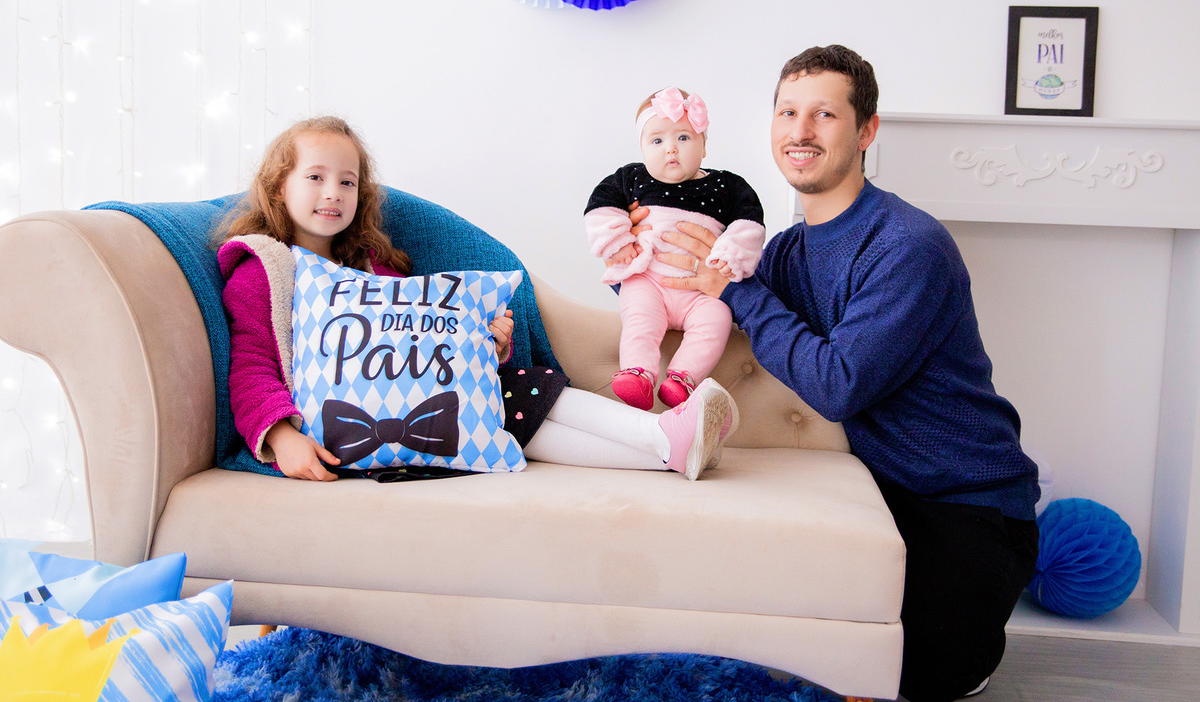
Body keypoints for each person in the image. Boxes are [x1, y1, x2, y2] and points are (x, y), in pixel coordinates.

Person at [654, 47, 1040, 702]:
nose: (800, 131)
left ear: (866, 131)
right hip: (870, 492)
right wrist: (656, 255)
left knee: (918, 681)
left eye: (824, 114)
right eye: (788, 112)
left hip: (963, 506)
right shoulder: (786, 251)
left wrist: (736, 291)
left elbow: (839, 384)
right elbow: (710, 304)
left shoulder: (907, 245)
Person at [218, 116, 733, 483]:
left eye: (346, 182)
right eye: (314, 177)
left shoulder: (373, 266)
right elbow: (251, 366)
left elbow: (421, 341)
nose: (332, 192)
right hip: (338, 422)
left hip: (419, 397)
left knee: (519, 387)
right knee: (510, 405)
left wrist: (486, 343)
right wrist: (281, 435)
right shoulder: (263, 270)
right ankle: (664, 438)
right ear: (277, 186)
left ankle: (667, 444)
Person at [584, 87, 765, 410]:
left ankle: (683, 378)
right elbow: (600, 208)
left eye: (683, 138)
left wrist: (731, 256)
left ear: (704, 145)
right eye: (657, 141)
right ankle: (638, 373)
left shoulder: (727, 185)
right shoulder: (631, 178)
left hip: (702, 292)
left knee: (718, 320)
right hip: (648, 280)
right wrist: (618, 242)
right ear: (641, 148)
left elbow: (749, 224)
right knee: (639, 318)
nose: (671, 150)